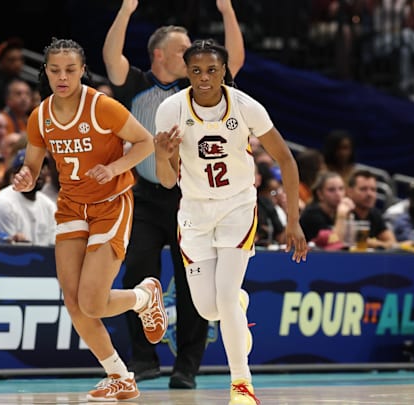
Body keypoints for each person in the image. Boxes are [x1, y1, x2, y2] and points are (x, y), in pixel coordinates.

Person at [154, 39, 308, 405]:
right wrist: (163, 154)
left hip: (237, 207)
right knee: (211, 309)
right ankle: (237, 304)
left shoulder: (246, 107)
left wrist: (295, 221)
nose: (204, 77)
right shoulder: (170, 110)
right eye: (196, 71)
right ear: (186, 72)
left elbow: (286, 161)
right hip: (193, 211)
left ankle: (242, 385)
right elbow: (165, 180)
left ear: (224, 71)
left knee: (222, 297)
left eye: (211, 70)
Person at [12, 38, 165, 402]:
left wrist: (112, 168)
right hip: (71, 207)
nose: (62, 76)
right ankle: (119, 375)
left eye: (69, 69)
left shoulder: (102, 107)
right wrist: (25, 177)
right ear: (45, 72)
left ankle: (144, 297)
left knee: (93, 302)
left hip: (111, 203)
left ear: (82, 71)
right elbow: (33, 165)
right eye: (54, 70)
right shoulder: (41, 116)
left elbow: (145, 143)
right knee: (73, 301)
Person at [102, 0, 245, 389]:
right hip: (144, 198)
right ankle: (143, 358)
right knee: (137, 274)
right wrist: (128, 10)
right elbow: (110, 56)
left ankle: (187, 367)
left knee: (192, 284)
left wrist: (228, 11)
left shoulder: (195, 88)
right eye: (184, 50)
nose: (193, 56)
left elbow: (233, 63)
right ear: (160, 54)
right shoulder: (134, 83)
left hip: (190, 200)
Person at [0, 150, 56, 246]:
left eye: (42, 167)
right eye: (32, 168)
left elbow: (53, 246)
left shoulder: (49, 205)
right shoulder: (3, 203)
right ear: (16, 174)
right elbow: (5, 251)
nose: (38, 172)